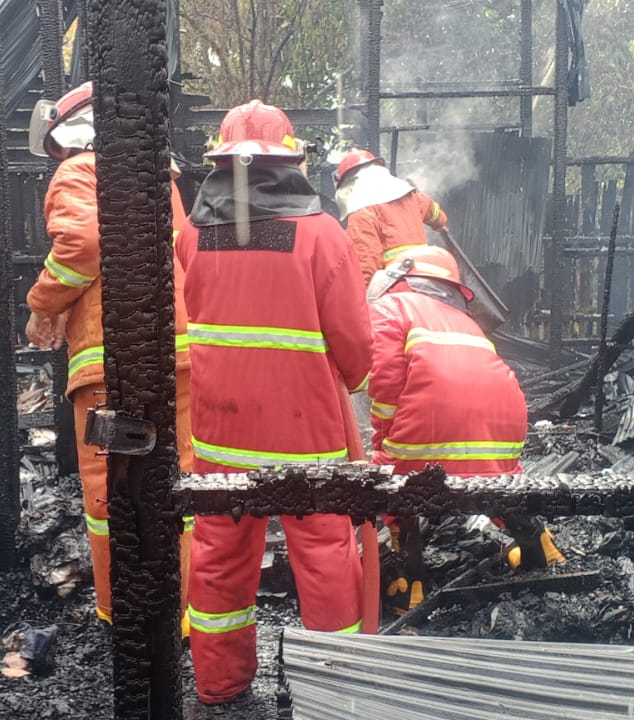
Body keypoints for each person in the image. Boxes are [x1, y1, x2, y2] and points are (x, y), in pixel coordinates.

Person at [176, 100, 373, 705]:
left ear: (220, 163)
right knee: (324, 553)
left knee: (218, 554)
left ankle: (219, 686)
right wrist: (350, 383)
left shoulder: (192, 236)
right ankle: (335, 690)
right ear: (291, 162)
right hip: (306, 433)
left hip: (219, 433)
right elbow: (355, 345)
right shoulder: (322, 234)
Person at [22, 82, 195, 628]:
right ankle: (181, 613)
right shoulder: (161, 180)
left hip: (112, 365)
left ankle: (123, 616)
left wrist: (42, 305)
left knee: (109, 490)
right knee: (176, 481)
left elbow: (84, 244)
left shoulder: (79, 171)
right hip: (179, 356)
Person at [364, 245, 563, 611]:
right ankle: (542, 550)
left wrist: (384, 447)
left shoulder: (391, 307)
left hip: (432, 422)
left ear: (400, 276)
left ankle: (409, 585)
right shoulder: (465, 320)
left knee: (399, 487)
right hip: (504, 424)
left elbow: (386, 383)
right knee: (495, 484)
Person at [334, 148, 449, 283]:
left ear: (347, 184)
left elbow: (366, 266)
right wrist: (440, 223)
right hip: (424, 278)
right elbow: (433, 211)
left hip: (394, 287)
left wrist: (364, 293)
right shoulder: (410, 196)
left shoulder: (361, 214)